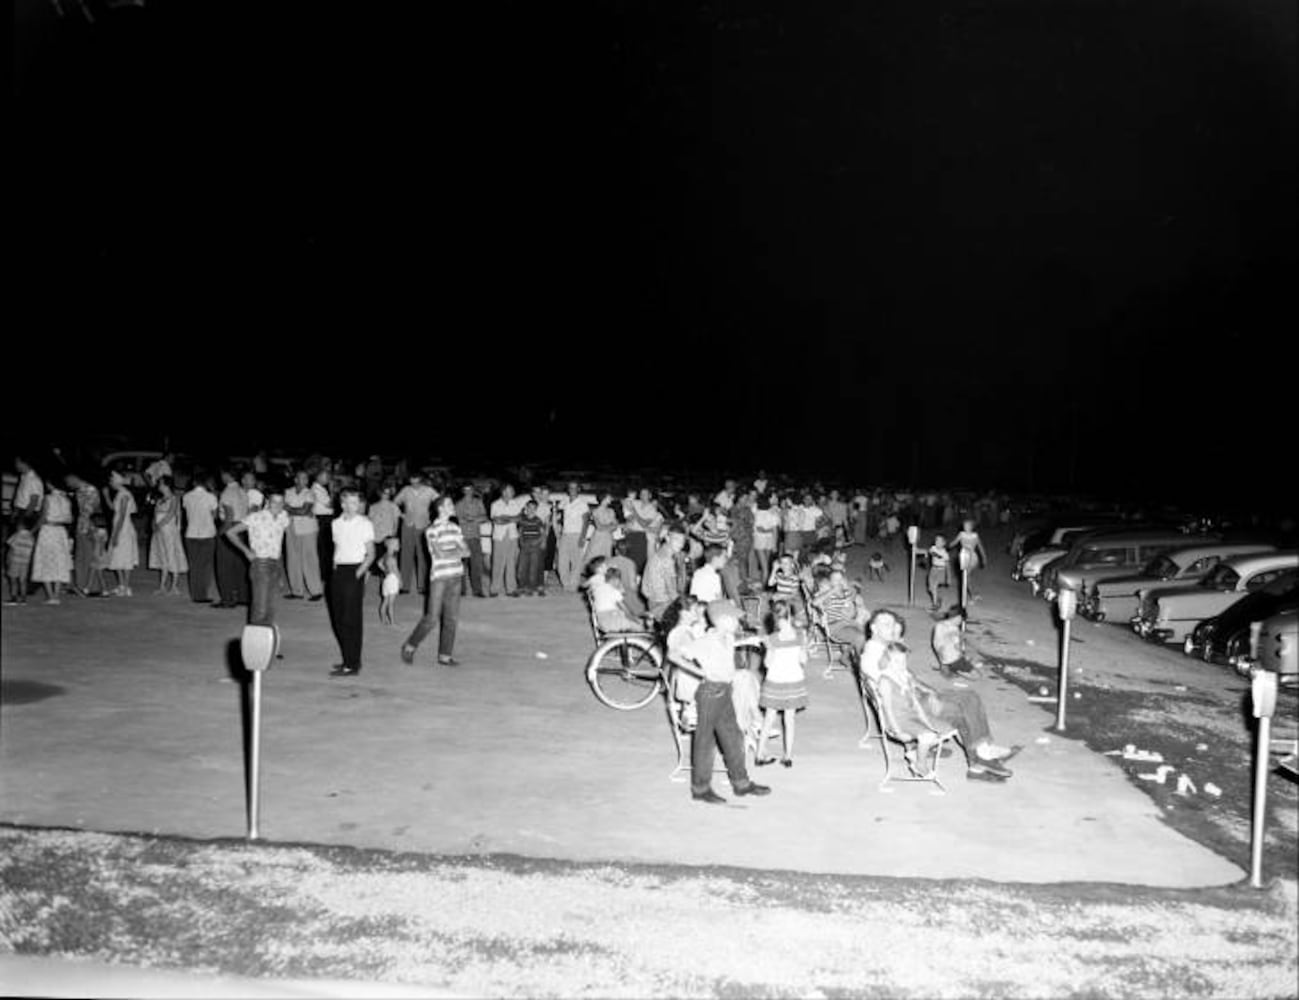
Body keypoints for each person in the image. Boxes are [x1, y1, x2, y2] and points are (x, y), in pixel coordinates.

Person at [861, 610, 1017, 781]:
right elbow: (895, 691)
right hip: (914, 707)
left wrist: (929, 690)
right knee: (964, 710)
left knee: (970, 697)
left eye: (892, 624)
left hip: (919, 698)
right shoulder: (873, 656)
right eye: (886, 624)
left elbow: (908, 676)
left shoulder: (883, 647)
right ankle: (981, 756)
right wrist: (925, 700)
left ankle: (981, 753)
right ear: (873, 628)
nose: (891, 628)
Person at [672, 600, 772, 804]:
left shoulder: (726, 636)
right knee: (704, 742)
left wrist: (753, 639)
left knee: (733, 738)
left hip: (725, 691)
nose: (737, 621)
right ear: (722, 620)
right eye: (734, 618)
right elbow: (674, 655)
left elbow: (735, 641)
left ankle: (741, 784)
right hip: (710, 692)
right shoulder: (706, 641)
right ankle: (700, 789)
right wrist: (701, 672)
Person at [400, 495, 470, 667]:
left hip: (456, 576)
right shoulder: (431, 530)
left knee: (451, 619)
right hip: (439, 578)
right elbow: (439, 554)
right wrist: (456, 552)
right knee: (431, 618)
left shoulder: (455, 528)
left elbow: (467, 552)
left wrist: (453, 553)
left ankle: (445, 656)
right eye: (449, 504)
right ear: (440, 509)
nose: (453, 506)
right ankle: (410, 646)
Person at [328, 488, 376, 677]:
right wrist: (334, 568)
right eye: (349, 502)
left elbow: (371, 554)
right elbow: (337, 548)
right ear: (342, 504)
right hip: (338, 570)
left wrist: (358, 574)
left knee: (351, 620)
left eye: (356, 502)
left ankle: (353, 664)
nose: (353, 506)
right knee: (338, 618)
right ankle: (348, 659)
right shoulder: (335, 524)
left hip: (354, 570)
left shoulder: (364, 523)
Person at [755, 599, 809, 768]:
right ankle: (787, 756)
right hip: (793, 680)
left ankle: (759, 754)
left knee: (769, 718)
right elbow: (803, 660)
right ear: (791, 616)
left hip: (775, 681)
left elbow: (767, 664)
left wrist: (768, 647)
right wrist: (804, 647)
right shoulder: (800, 636)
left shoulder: (771, 638)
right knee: (789, 719)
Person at [226, 489, 290, 626]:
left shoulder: (283, 516)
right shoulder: (256, 517)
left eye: (281, 503)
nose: (277, 505)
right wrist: (246, 551)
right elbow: (231, 533)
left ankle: (266, 640)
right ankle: (255, 640)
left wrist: (281, 572)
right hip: (261, 563)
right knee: (260, 606)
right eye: (274, 502)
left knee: (271, 605)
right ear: (267, 502)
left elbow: (279, 543)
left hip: (275, 562)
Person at [31, 478, 73, 605]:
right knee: (60, 561)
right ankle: (56, 594)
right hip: (60, 531)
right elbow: (70, 519)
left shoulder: (48, 498)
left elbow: (42, 518)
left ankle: (50, 596)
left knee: (45, 560)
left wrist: (32, 531)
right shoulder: (66, 500)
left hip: (48, 530)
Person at [394, 472, 437, 596]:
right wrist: (401, 515)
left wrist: (432, 517)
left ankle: (422, 585)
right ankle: (404, 585)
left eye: (416, 480)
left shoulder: (429, 491)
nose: (414, 483)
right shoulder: (406, 490)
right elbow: (394, 503)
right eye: (411, 480)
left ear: (421, 479)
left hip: (423, 525)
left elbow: (439, 502)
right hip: (407, 524)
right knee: (405, 555)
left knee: (422, 555)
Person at [283, 470, 323, 602]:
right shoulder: (288, 492)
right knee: (292, 559)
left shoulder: (310, 493)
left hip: (308, 529)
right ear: (295, 479)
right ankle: (297, 590)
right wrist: (297, 510)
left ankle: (316, 590)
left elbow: (304, 511)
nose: (305, 480)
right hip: (291, 527)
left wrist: (289, 508)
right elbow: (297, 510)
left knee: (310, 559)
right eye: (302, 478)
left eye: (306, 478)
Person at [214, 469, 250, 609]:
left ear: (227, 475)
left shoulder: (227, 492)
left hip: (229, 526)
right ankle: (243, 596)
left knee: (224, 566)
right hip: (241, 527)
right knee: (239, 564)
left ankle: (227, 599)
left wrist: (222, 532)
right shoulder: (242, 491)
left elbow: (229, 515)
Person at [148, 476, 188, 595]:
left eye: (160, 484)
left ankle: (174, 586)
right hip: (160, 530)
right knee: (162, 554)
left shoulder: (174, 498)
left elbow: (171, 514)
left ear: (166, 485)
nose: (159, 486)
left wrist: (159, 524)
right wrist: (154, 525)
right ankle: (162, 585)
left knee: (171, 554)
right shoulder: (160, 499)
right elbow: (155, 514)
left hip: (169, 529)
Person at [555, 482, 597, 591]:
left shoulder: (582, 504)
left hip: (577, 534)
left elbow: (586, 521)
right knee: (562, 560)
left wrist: (583, 537)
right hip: (565, 534)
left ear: (578, 489)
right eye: (570, 487)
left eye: (574, 488)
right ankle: (566, 583)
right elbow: (557, 513)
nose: (572, 489)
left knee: (576, 561)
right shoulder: (565, 501)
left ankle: (573, 584)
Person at [489, 483, 528, 598]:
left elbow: (519, 518)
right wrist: (512, 518)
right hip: (500, 537)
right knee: (498, 562)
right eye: (511, 490)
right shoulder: (495, 504)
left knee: (511, 562)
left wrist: (506, 518)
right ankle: (495, 588)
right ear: (504, 492)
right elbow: (497, 520)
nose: (513, 493)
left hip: (512, 536)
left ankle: (511, 588)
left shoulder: (514, 503)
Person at [105, 469, 139, 597]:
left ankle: (125, 585)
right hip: (119, 527)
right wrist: (107, 496)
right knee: (117, 556)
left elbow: (122, 516)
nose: (110, 482)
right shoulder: (120, 494)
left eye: (112, 480)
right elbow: (114, 509)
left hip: (123, 529)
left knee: (124, 556)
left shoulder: (124, 495)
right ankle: (122, 585)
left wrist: (116, 534)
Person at [641, 522, 685, 621]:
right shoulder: (667, 559)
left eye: (682, 541)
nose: (681, 545)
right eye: (677, 540)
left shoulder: (660, 552)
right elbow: (672, 592)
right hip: (662, 604)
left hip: (653, 600)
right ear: (668, 538)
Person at [68, 473, 102, 598]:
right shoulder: (79, 491)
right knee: (80, 557)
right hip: (82, 525)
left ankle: (91, 587)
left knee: (88, 557)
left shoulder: (90, 490)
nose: (68, 482)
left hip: (88, 526)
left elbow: (90, 511)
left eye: (69, 479)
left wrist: (88, 528)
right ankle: (81, 585)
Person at [455, 484, 489, 598]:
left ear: (473, 491)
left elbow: (484, 517)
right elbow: (455, 519)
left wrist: (475, 519)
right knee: (461, 565)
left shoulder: (478, 502)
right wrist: (464, 520)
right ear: (462, 491)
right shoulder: (458, 504)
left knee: (476, 564)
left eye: (470, 490)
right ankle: (461, 590)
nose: (468, 492)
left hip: (475, 536)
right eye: (466, 489)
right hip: (462, 537)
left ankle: (477, 590)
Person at [932, 605, 980, 677]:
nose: (961, 622)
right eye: (961, 620)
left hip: (945, 659)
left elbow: (937, 645)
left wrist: (942, 663)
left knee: (967, 660)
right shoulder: (954, 629)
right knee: (977, 676)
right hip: (954, 660)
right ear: (958, 617)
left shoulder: (939, 625)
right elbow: (957, 647)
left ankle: (953, 669)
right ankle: (958, 671)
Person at [516, 498, 548, 596]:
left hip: (535, 546)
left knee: (533, 568)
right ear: (526, 508)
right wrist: (521, 541)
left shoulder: (538, 520)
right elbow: (520, 532)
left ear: (536, 509)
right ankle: (522, 586)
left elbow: (543, 534)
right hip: (525, 545)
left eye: (533, 508)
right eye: (529, 507)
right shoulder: (522, 520)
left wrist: (538, 542)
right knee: (522, 567)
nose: (531, 510)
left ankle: (531, 588)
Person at [311, 468, 336, 590]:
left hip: (324, 519)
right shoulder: (317, 489)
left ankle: (324, 574)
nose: (328, 479)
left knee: (325, 548)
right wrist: (332, 491)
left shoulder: (320, 488)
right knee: (324, 548)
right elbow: (330, 504)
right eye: (326, 476)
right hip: (323, 519)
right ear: (319, 476)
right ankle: (324, 574)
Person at [4, 514, 36, 605]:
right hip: (25, 562)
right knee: (23, 581)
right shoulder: (31, 537)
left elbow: (11, 548)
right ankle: (23, 598)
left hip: (15, 560)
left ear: (21, 526)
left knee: (13, 580)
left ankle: (14, 597)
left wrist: (8, 559)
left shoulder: (16, 535)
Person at [954, 519, 988, 601]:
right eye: (964, 525)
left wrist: (984, 558)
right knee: (966, 577)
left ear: (971, 527)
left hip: (972, 557)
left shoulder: (974, 536)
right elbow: (954, 542)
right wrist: (946, 547)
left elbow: (980, 547)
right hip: (963, 556)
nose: (965, 527)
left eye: (967, 525)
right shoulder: (961, 534)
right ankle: (972, 595)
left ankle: (969, 597)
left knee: (965, 576)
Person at [581, 492, 618, 568]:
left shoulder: (611, 511)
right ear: (603, 499)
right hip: (598, 538)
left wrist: (606, 527)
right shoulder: (596, 511)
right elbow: (599, 527)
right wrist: (609, 526)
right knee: (594, 556)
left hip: (608, 538)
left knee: (606, 558)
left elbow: (615, 526)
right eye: (609, 497)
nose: (611, 499)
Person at [367, 483, 400, 553]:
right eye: (384, 493)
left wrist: (394, 534)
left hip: (388, 535)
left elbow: (396, 522)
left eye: (388, 493)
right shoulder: (373, 507)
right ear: (380, 493)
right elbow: (370, 522)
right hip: (376, 536)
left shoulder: (393, 506)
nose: (386, 495)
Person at [379, 538, 401, 625]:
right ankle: (392, 622)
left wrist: (385, 570)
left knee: (385, 601)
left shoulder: (385, 555)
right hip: (392, 579)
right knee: (391, 603)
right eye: (397, 545)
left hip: (386, 579)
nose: (399, 546)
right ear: (392, 547)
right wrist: (400, 580)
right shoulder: (393, 559)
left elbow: (379, 563)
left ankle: (383, 620)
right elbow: (396, 571)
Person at [926, 534, 950, 610]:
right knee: (930, 588)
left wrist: (948, 577)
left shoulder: (945, 553)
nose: (937, 542)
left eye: (939, 541)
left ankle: (935, 604)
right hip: (933, 569)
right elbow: (929, 552)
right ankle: (937, 599)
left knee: (934, 586)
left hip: (940, 570)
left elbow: (947, 565)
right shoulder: (933, 548)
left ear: (944, 543)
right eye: (936, 540)